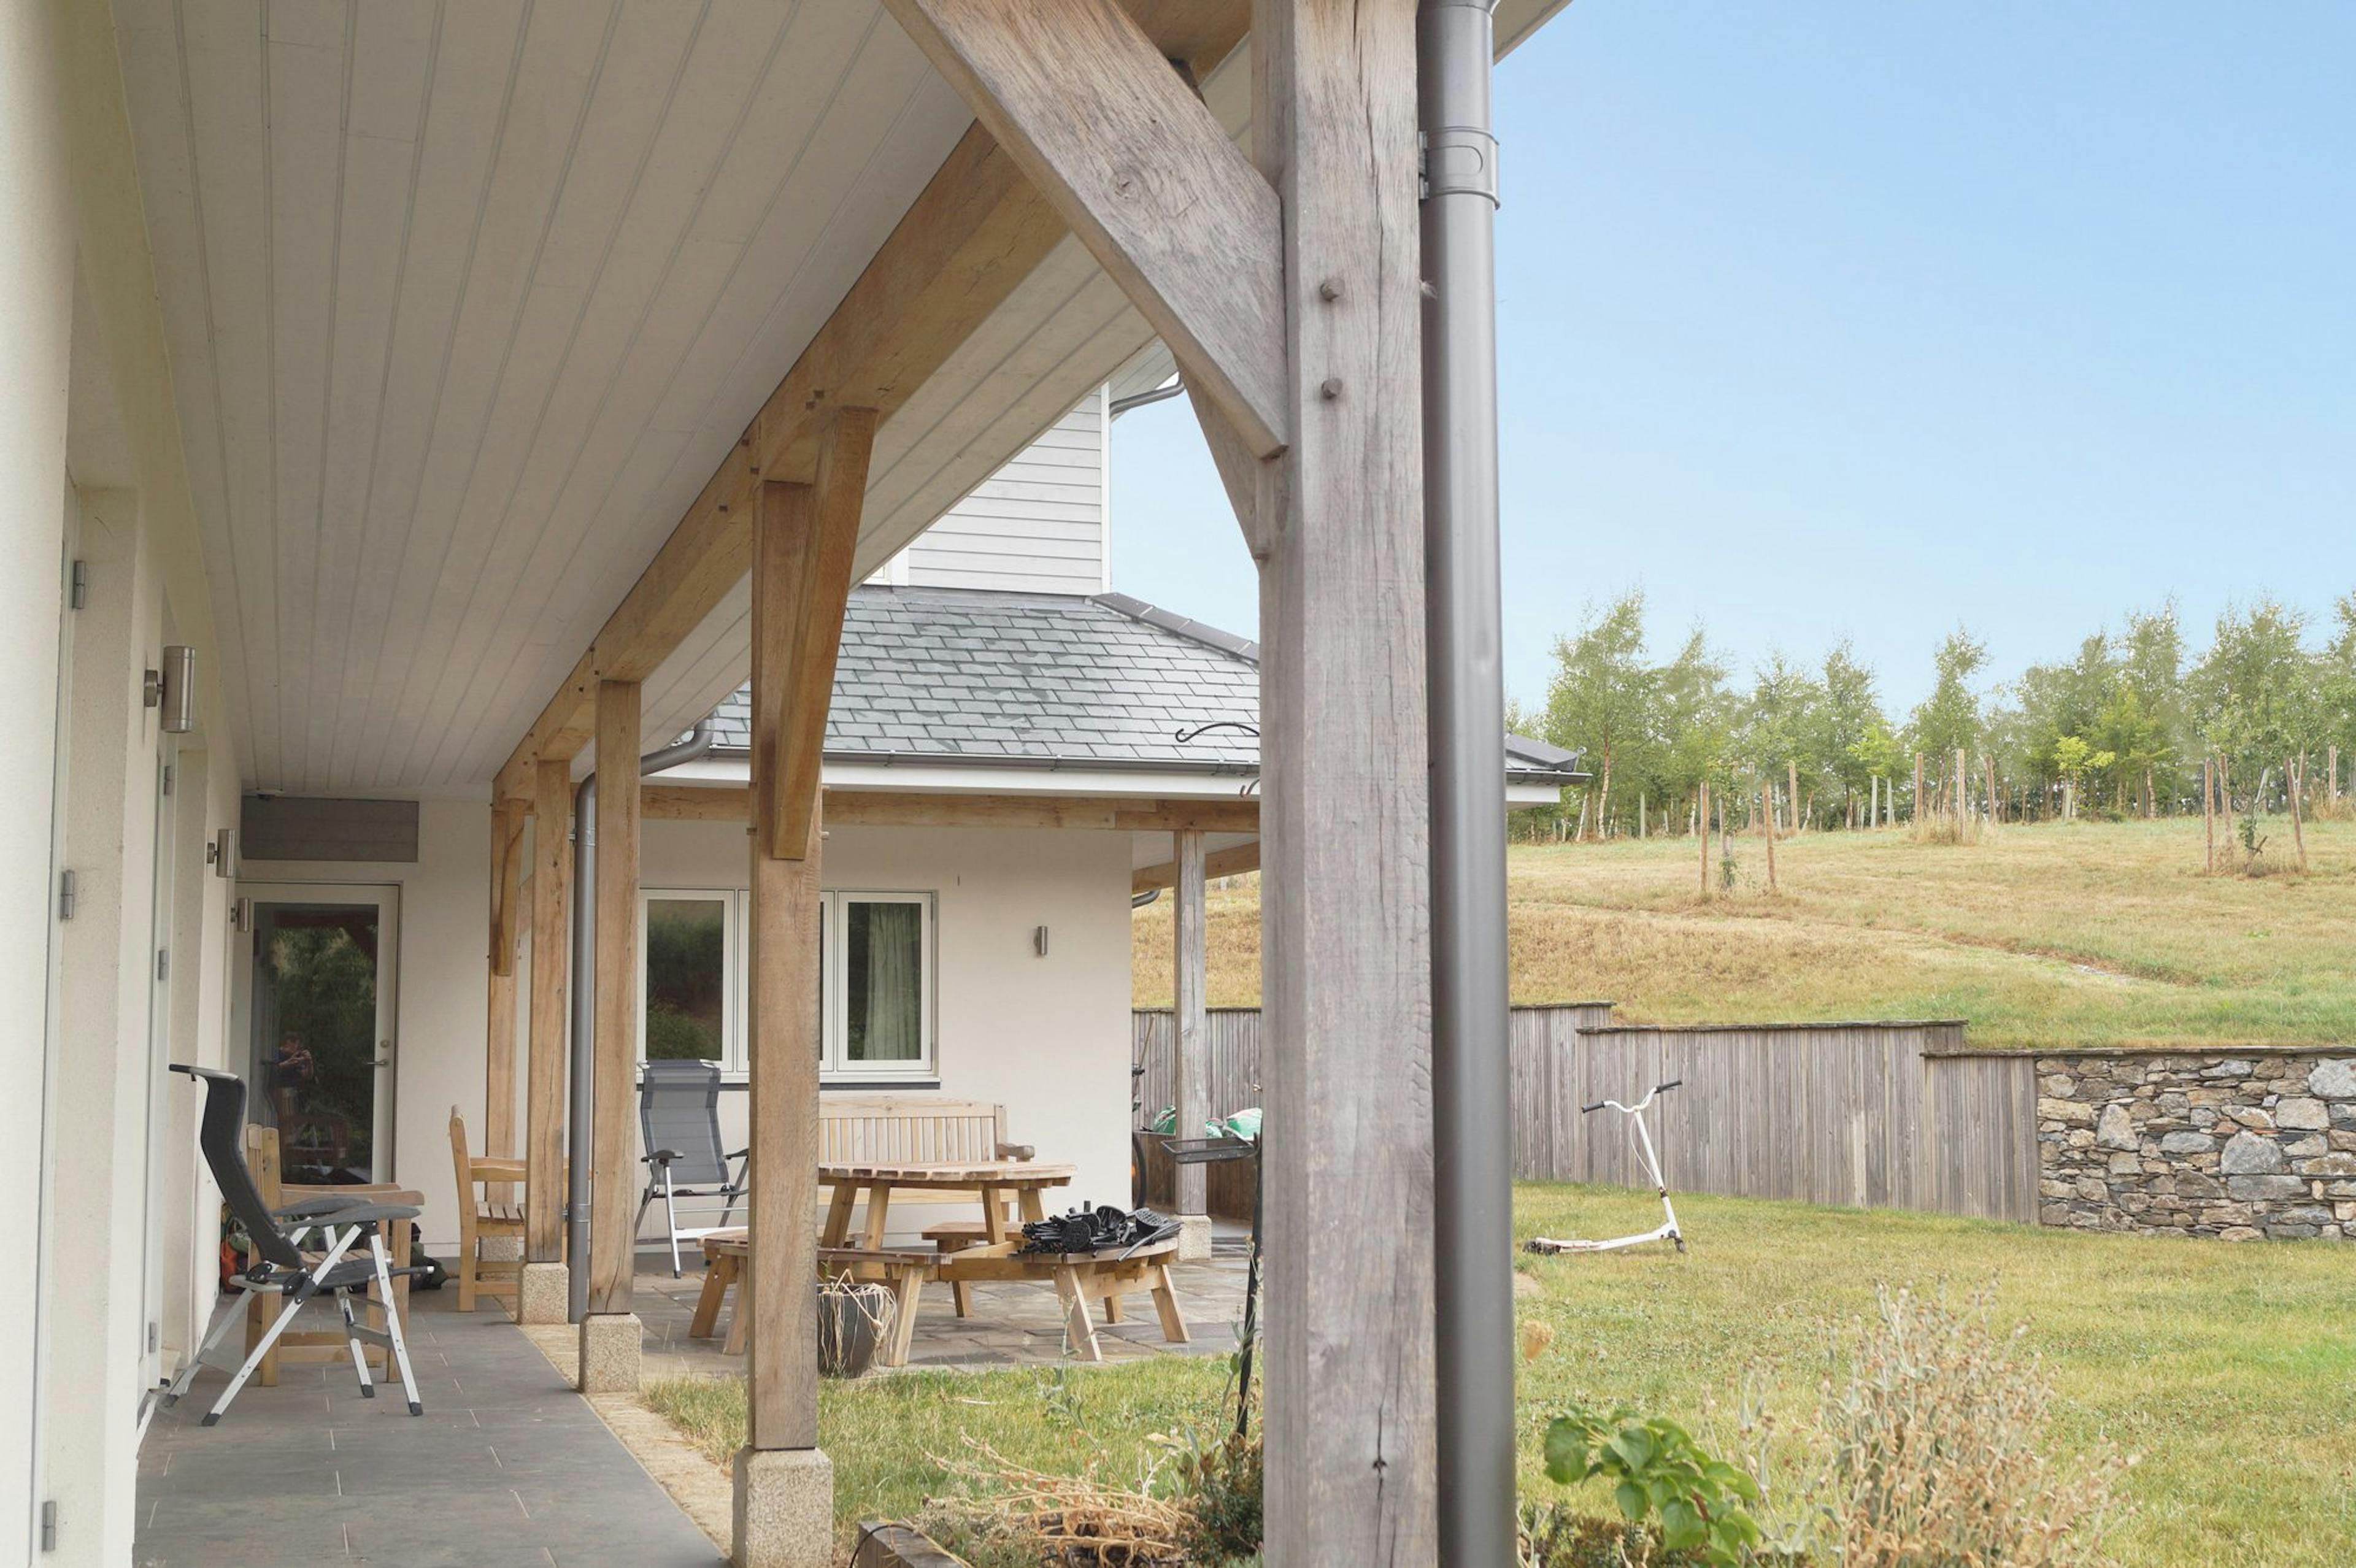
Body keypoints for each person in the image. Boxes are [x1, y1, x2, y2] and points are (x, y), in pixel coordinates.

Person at [265, 1030, 314, 1129]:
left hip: (293, 1096)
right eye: (295, 1045)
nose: (296, 1049)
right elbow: (269, 1071)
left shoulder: (296, 1058)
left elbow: (307, 1076)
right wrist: (286, 1064)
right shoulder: (275, 1054)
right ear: (288, 1042)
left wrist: (309, 1062)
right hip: (278, 1094)